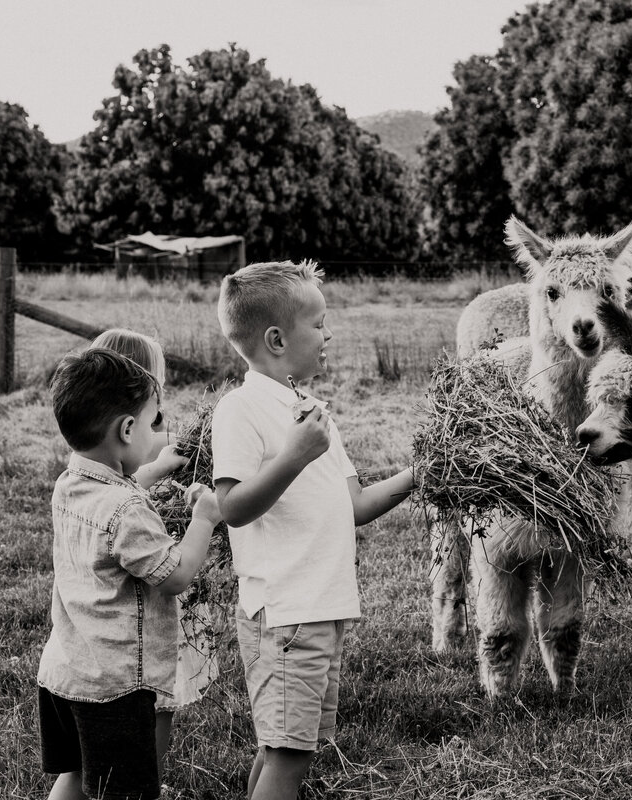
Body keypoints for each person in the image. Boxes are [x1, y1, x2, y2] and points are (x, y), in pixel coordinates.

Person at [212, 260, 415, 800]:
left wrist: (420, 474)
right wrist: (295, 456)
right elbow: (230, 506)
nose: (330, 333)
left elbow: (355, 504)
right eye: (320, 323)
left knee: (282, 748)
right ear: (277, 339)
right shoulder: (241, 409)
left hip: (322, 610)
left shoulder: (313, 411)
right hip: (284, 614)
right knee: (289, 755)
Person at [38, 348, 221, 800]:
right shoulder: (129, 511)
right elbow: (175, 575)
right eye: (153, 422)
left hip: (66, 673)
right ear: (126, 429)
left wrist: (154, 468)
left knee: (80, 774)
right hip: (115, 691)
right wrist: (204, 518)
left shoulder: (70, 484)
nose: (158, 431)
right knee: (126, 793)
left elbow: (115, 498)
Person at [89, 327, 218, 762]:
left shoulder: (104, 443)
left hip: (130, 593)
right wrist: (165, 472)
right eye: (157, 385)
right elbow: (122, 489)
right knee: (157, 705)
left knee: (152, 710)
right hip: (146, 595)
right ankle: (147, 781)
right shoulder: (129, 448)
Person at [89, 329, 186, 490]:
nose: (163, 380)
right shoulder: (160, 442)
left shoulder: (89, 430)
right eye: (159, 374)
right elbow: (113, 487)